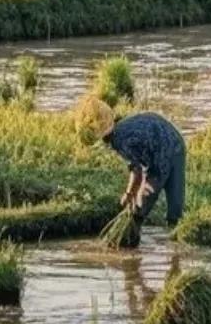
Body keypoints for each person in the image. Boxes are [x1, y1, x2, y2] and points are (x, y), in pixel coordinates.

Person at [75, 96, 187, 231]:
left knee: (144, 199)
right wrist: (131, 192)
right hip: (176, 142)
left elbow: (137, 170)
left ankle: (132, 229)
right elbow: (137, 166)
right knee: (175, 200)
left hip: (164, 151)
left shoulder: (119, 140)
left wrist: (130, 193)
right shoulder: (122, 126)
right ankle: (175, 230)